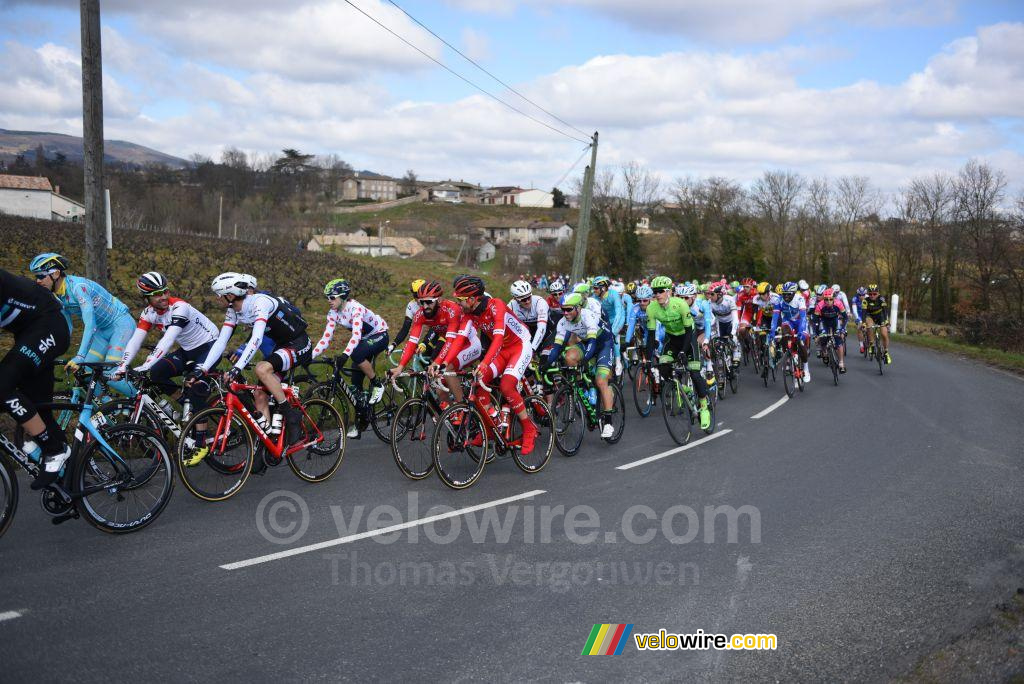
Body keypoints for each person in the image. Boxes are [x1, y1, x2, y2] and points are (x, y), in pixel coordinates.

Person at [196, 273, 310, 453]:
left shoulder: (260, 302)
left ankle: (291, 414)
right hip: (281, 346)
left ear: (230, 295)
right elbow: (221, 341)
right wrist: (202, 369)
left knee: (261, 369)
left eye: (219, 295)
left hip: (298, 343)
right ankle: (266, 445)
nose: (217, 299)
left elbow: (256, 339)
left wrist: (236, 368)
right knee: (259, 395)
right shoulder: (233, 310)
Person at [447, 275, 537, 455]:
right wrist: (444, 363)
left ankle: (529, 428)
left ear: (473, 299)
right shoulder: (469, 313)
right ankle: (489, 430)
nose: (459, 304)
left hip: (520, 345)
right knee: (478, 381)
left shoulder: (496, 305)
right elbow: (459, 338)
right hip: (503, 350)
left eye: (461, 300)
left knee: (506, 385)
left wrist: (484, 363)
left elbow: (496, 338)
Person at [0, 268, 71, 490]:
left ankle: (54, 450)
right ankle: (69, 483)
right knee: (40, 409)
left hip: (50, 326)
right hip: (29, 331)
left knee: (2, 385)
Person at [29, 253, 136, 397]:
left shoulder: (78, 287)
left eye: (41, 276)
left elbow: (90, 324)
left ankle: (144, 405)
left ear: (55, 273)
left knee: (112, 374)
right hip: (101, 331)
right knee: (84, 372)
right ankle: (109, 409)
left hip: (121, 324)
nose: (38, 281)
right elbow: (67, 328)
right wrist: (51, 353)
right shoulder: (57, 295)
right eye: (36, 276)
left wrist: (80, 356)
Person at [114, 272, 219, 417]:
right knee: (157, 373)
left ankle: (205, 436)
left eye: (165, 291)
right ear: (146, 297)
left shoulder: (180, 307)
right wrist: (122, 366)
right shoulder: (148, 313)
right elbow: (135, 341)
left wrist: (146, 365)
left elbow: (168, 340)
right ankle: (187, 406)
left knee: (195, 391)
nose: (163, 297)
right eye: (157, 294)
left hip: (209, 346)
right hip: (188, 349)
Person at [313, 279, 390, 438]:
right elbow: (326, 338)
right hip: (365, 339)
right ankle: (360, 422)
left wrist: (344, 355)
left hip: (379, 335)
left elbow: (355, 336)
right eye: (327, 297)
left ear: (342, 296)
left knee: (355, 354)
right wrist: (310, 356)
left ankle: (377, 384)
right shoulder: (333, 313)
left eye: (332, 297)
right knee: (355, 387)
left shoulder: (355, 308)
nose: (329, 301)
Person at [389, 280, 479, 404]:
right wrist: (400, 367)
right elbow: (411, 342)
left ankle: (463, 409)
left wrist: (437, 362)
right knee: (439, 391)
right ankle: (453, 417)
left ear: (439, 299)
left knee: (447, 368)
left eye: (429, 302)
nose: (425, 306)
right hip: (452, 346)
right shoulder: (420, 315)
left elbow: (450, 340)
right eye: (422, 302)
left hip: (469, 343)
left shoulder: (451, 309)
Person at [644, 276, 711, 430]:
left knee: (694, 373)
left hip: (688, 338)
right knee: (663, 365)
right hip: (671, 339)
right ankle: (684, 389)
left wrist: (683, 351)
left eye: (660, 291)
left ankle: (704, 406)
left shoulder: (680, 304)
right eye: (655, 292)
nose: (657, 294)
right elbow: (651, 336)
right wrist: (648, 360)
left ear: (668, 292)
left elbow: (689, 332)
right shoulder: (651, 308)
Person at [547, 292, 617, 439]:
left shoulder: (587, 316)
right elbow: (557, 347)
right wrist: (546, 364)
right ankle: (583, 386)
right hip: (587, 343)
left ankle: (609, 423)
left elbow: (592, 342)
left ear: (578, 308)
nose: (565, 313)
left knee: (601, 380)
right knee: (569, 356)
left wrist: (585, 360)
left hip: (603, 344)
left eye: (569, 309)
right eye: (563, 309)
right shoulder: (563, 322)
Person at [769, 281, 811, 382]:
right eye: (784, 294)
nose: (786, 296)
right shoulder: (779, 300)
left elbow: (803, 317)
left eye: (788, 294)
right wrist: (772, 331)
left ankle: (806, 368)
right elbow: (775, 317)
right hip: (788, 321)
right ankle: (788, 358)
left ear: (794, 293)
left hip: (800, 322)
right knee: (784, 335)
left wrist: (801, 330)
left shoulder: (800, 299)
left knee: (800, 343)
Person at [508, 279, 550, 353]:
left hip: (545, 330)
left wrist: (532, 349)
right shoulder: (511, 306)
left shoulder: (540, 302)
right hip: (527, 332)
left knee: (546, 357)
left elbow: (541, 328)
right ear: (515, 299)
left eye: (528, 297)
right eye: (523, 299)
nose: (527, 301)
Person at [812, 288, 848, 372]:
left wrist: (842, 330)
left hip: (835, 321)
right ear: (823, 299)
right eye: (826, 299)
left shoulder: (839, 303)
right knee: (823, 337)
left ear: (834, 299)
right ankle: (824, 351)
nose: (828, 301)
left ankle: (841, 362)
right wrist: (816, 335)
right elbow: (815, 321)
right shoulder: (819, 305)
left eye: (830, 299)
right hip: (824, 321)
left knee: (838, 340)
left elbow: (845, 318)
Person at [387, 279, 424, 356]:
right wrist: (394, 344)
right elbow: (405, 328)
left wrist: (425, 343)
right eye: (414, 295)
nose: (416, 298)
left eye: (417, 295)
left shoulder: (433, 304)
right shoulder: (412, 305)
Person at [707, 283, 741, 366]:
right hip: (719, 322)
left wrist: (733, 333)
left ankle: (736, 352)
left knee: (733, 338)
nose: (710, 296)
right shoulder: (710, 303)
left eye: (712, 294)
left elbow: (735, 318)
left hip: (731, 321)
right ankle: (721, 359)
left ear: (719, 294)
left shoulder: (729, 300)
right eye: (709, 294)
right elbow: (711, 319)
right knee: (717, 342)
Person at [861, 284, 891, 363]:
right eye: (870, 294)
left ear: (878, 293)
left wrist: (886, 321)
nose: (872, 295)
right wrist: (863, 323)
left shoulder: (881, 299)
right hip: (870, 316)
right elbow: (863, 313)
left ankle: (886, 352)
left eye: (874, 294)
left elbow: (885, 311)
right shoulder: (865, 301)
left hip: (880, 316)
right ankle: (871, 344)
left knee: (884, 334)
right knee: (869, 326)